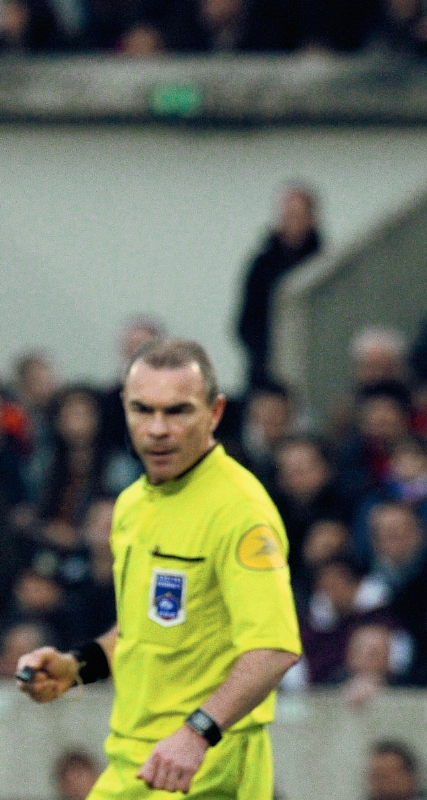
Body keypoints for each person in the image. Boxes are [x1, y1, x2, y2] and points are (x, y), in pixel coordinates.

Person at [18, 338, 301, 798]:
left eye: (178, 411)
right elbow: (144, 630)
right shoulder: (131, 505)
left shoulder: (241, 512)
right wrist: (74, 666)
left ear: (215, 413)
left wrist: (197, 733)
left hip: (205, 770)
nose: (157, 429)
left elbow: (274, 649)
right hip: (134, 765)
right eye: (142, 410)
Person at [235, 185, 321, 388]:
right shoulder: (262, 265)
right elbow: (247, 319)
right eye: (287, 216)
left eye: (297, 216)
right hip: (267, 366)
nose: (292, 223)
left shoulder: (322, 263)